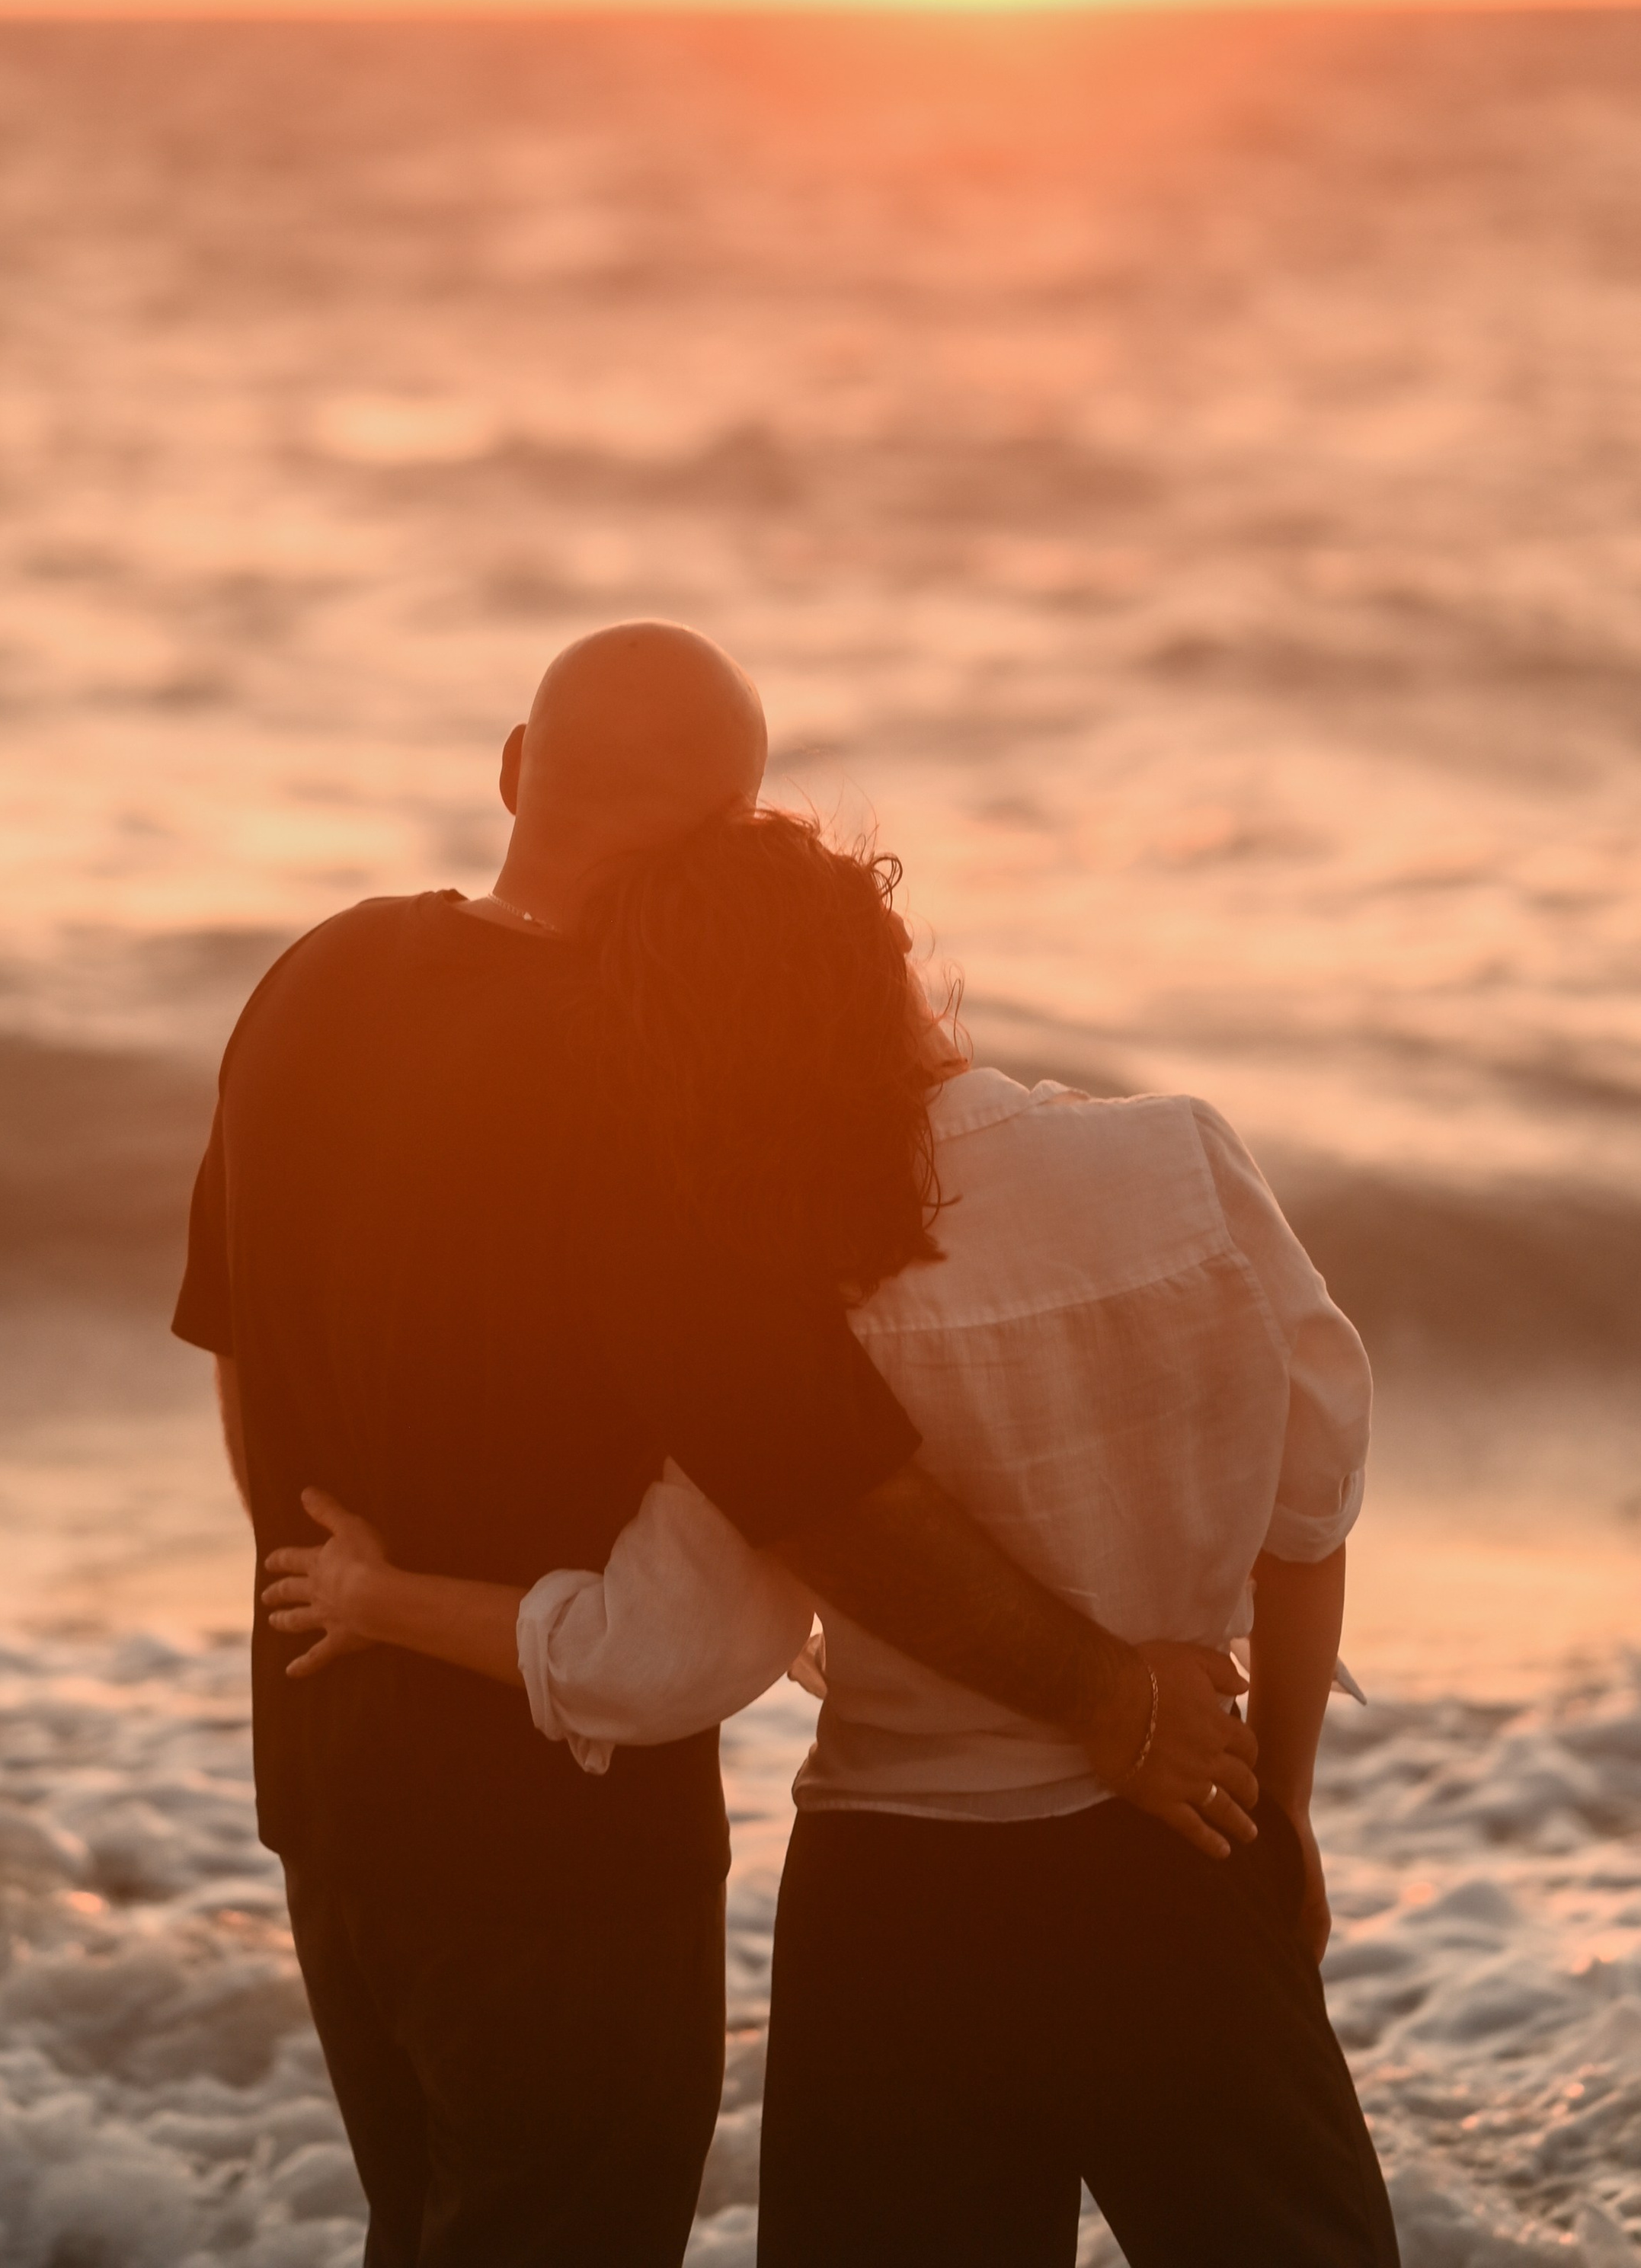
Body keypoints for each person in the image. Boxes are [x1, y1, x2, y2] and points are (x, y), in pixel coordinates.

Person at [174, 622, 1258, 2268]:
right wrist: (1115, 1708)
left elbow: (246, 1359)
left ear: (514, 766)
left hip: (329, 1787)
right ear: (720, 842)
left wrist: (326, 1585)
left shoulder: (311, 977)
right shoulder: (637, 1078)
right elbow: (821, 1490)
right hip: (556, 1841)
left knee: (427, 2225)